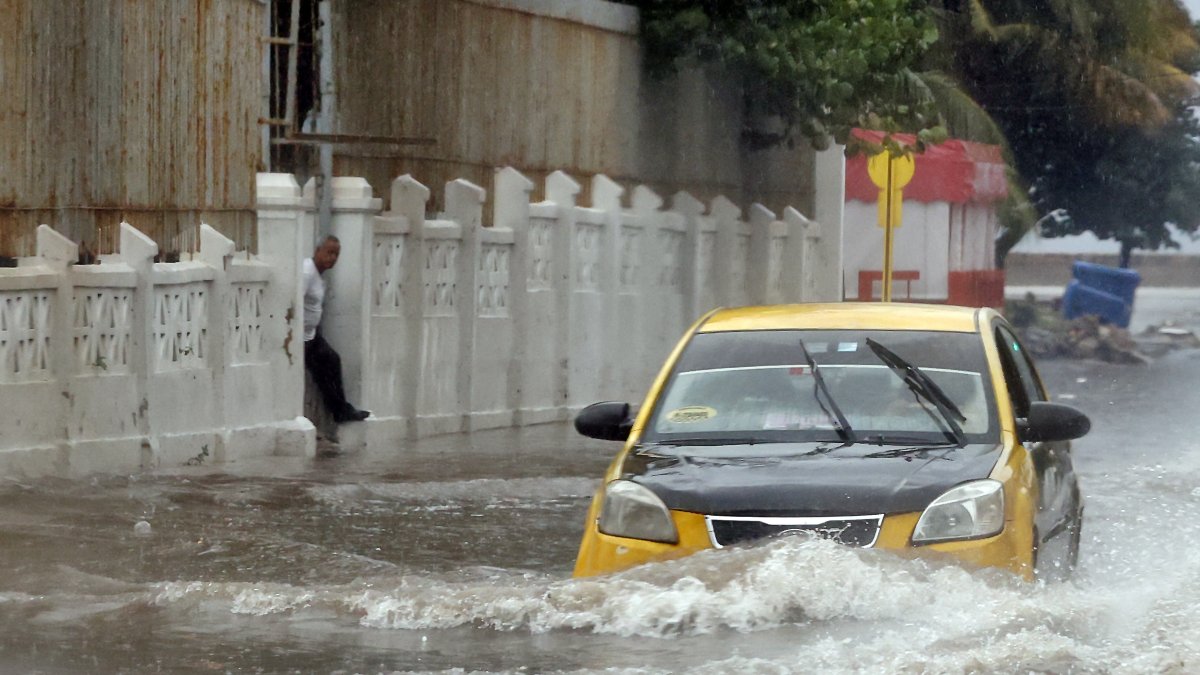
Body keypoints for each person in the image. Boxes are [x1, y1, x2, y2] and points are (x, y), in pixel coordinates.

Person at [303, 236, 370, 423]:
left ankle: (342, 411)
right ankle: (340, 412)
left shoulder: (317, 275)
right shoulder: (307, 272)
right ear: (317, 251)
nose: (332, 258)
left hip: (311, 335)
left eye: (336, 254)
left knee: (332, 361)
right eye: (329, 252)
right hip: (301, 339)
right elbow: (294, 300)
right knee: (323, 370)